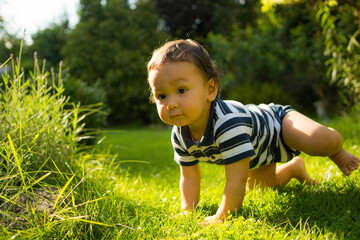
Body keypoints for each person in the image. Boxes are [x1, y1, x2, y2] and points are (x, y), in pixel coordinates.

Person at [146, 39, 360, 226]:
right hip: (259, 153)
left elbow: (235, 180)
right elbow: (189, 176)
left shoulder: (227, 123)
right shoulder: (180, 134)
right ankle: (294, 168)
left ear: (210, 89)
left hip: (279, 125)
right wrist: (187, 210)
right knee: (261, 189)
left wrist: (223, 216)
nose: (170, 103)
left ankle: (337, 150)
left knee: (318, 141)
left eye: (181, 90)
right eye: (161, 95)